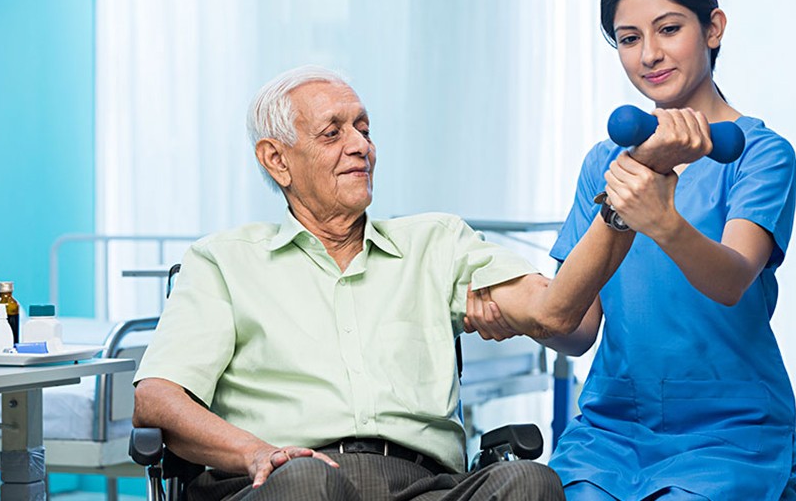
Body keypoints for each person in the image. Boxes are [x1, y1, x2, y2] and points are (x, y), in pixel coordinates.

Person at [132, 66, 602, 501]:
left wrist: (619, 215)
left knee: (530, 482)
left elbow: (557, 317)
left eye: (364, 128)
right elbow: (156, 399)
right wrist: (256, 453)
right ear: (276, 159)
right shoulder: (224, 261)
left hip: (422, 485)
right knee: (306, 484)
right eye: (332, 132)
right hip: (286, 479)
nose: (360, 145)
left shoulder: (436, 243)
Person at [468, 0, 796, 500]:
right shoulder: (604, 163)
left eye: (669, 29)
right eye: (629, 39)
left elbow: (729, 282)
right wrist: (517, 314)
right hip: (611, 432)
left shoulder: (761, 155)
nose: (649, 54)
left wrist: (662, 220)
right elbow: (577, 330)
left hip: (730, 432)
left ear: (713, 28)